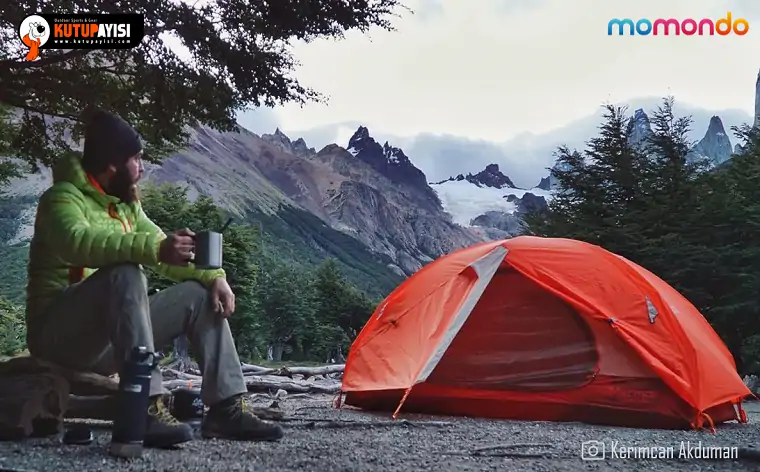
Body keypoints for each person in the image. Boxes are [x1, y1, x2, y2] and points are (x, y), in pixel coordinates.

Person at [24, 109, 284, 448]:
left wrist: (215, 277)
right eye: (135, 159)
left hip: (107, 340)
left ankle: (226, 408)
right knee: (125, 271)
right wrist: (152, 249)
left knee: (197, 294)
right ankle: (145, 407)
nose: (142, 167)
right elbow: (77, 244)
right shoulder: (61, 199)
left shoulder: (126, 206)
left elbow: (164, 251)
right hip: (58, 336)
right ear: (112, 164)